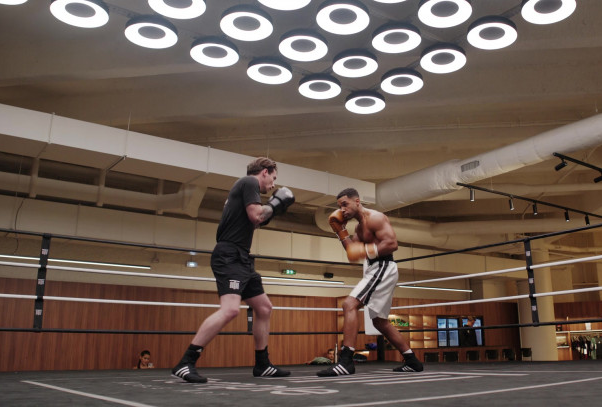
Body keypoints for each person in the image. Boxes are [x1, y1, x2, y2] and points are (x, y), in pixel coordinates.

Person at [171, 157, 295, 383]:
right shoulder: (248, 182)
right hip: (229, 256)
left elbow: (257, 221)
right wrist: (277, 203)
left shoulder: (245, 191)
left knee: (264, 308)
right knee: (230, 310)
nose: (273, 185)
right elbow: (257, 216)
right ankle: (186, 362)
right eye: (273, 178)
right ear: (264, 172)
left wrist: (274, 207)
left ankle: (262, 364)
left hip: (241, 257)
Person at [317, 188, 423, 377]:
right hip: (373, 267)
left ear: (357, 201)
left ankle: (346, 361)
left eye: (345, 204)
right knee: (380, 322)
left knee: (349, 304)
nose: (342, 210)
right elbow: (352, 252)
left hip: (383, 267)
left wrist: (365, 252)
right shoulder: (358, 228)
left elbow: (391, 244)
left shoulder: (376, 218)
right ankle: (412, 361)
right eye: (339, 206)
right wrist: (340, 231)